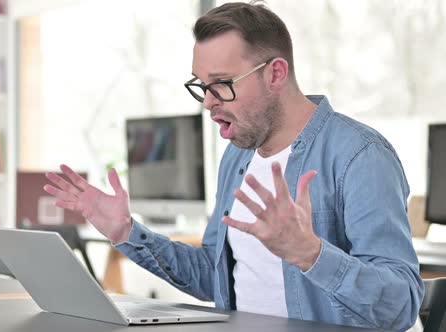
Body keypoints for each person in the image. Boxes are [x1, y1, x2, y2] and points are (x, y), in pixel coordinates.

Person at [43, 1, 423, 330]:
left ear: (275, 73)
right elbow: (214, 276)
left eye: (222, 84)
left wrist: (311, 254)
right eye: (202, 86)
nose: (208, 103)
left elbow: (401, 306)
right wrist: (126, 231)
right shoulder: (239, 154)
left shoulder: (360, 156)